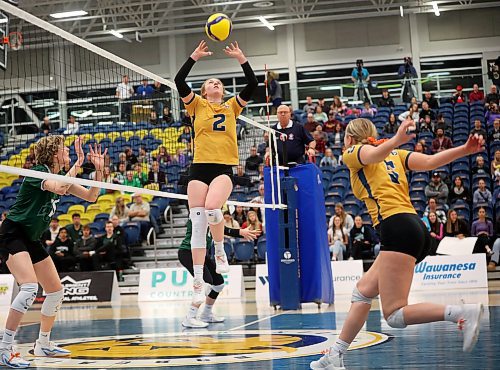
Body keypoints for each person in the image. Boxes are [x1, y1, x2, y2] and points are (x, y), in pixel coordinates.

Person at [310, 118, 484, 370]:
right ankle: (335, 355)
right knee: (363, 290)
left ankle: (459, 313)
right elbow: (429, 162)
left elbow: (370, 154)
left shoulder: (353, 152)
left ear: (349, 138)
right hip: (413, 227)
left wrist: (395, 140)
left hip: (397, 228)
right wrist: (464, 150)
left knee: (394, 314)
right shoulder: (395, 154)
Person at [0, 136, 106, 367]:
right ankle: (5, 349)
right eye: (65, 149)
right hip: (13, 234)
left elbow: (91, 196)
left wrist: (99, 171)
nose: (67, 151)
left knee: (56, 291)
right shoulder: (39, 172)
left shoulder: (61, 178)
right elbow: (58, 186)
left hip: (31, 237)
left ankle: (43, 344)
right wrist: (79, 162)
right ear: (54, 154)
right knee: (29, 287)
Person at [174, 40, 258, 304]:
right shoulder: (196, 105)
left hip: (222, 168)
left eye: (219, 83)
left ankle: (220, 250)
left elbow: (253, 85)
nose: (216, 84)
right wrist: (194, 57)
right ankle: (198, 279)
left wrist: (241, 58)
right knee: (198, 224)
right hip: (198, 168)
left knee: (212, 210)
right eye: (211, 82)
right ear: (204, 90)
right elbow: (179, 80)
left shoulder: (232, 106)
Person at [179, 219, 260, 327]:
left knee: (218, 283)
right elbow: (221, 227)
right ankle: (190, 317)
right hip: (188, 253)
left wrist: (241, 233)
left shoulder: (211, 214)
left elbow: (219, 227)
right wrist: (240, 232)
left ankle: (206, 314)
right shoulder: (197, 213)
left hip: (201, 254)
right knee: (205, 283)